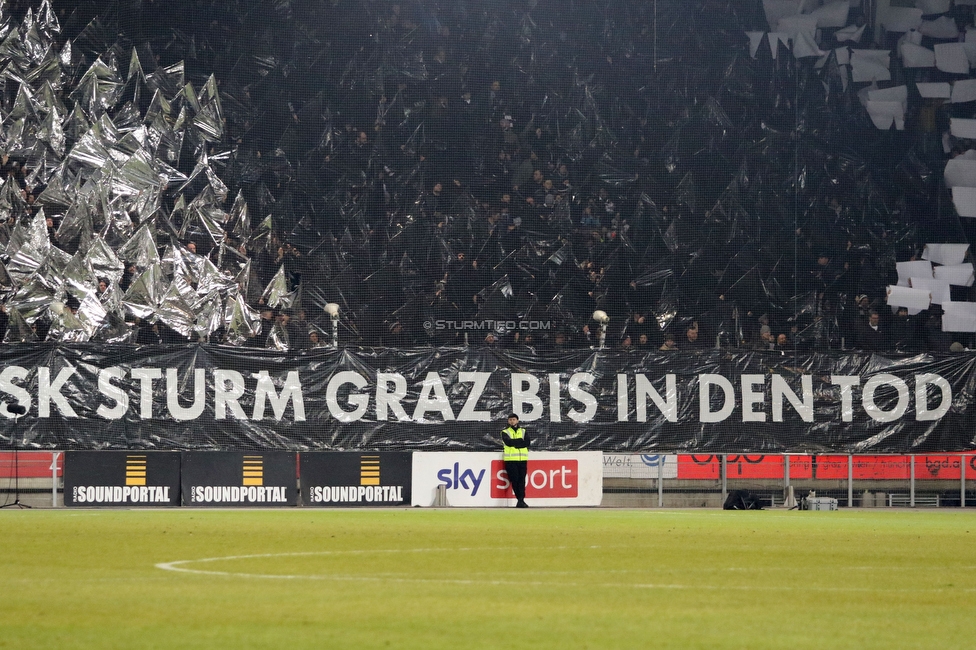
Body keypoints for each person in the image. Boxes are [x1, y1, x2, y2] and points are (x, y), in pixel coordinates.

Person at [501, 413, 529, 508]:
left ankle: (521, 500)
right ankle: (520, 499)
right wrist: (520, 441)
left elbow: (527, 443)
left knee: (522, 480)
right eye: (510, 419)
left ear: (517, 420)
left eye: (513, 419)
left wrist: (516, 443)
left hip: (522, 460)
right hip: (511, 460)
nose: (512, 421)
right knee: (515, 480)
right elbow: (508, 442)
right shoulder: (505, 431)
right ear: (508, 421)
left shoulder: (524, 431)